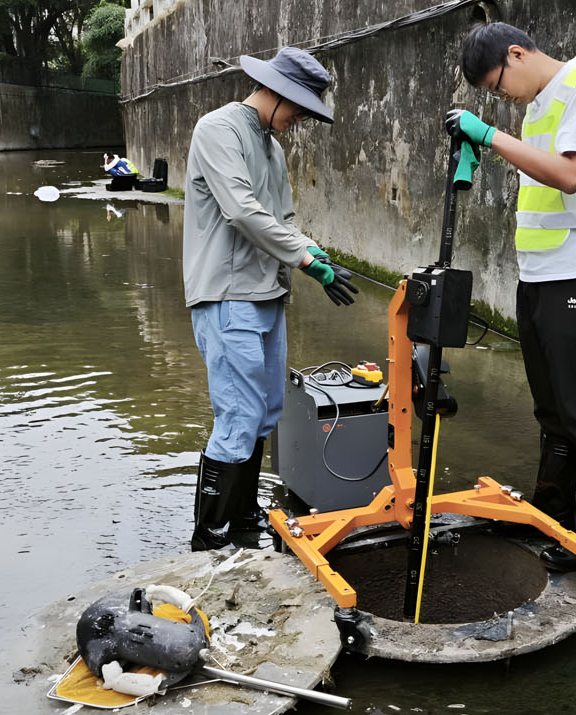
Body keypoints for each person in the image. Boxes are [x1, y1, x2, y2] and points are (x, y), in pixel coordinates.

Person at [450, 22, 576, 570]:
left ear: (516, 53)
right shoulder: (539, 105)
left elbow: (570, 176)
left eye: (497, 83)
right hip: (540, 273)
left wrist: (489, 136)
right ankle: (552, 521)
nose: (501, 96)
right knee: (552, 411)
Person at [182, 46, 358, 551]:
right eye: (300, 107)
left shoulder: (273, 148)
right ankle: (211, 535)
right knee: (237, 416)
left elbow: (283, 220)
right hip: (227, 294)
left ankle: (242, 517)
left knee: (264, 412)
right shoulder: (218, 130)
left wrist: (315, 253)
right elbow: (241, 210)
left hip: (268, 293)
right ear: (276, 91)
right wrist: (304, 260)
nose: (301, 119)